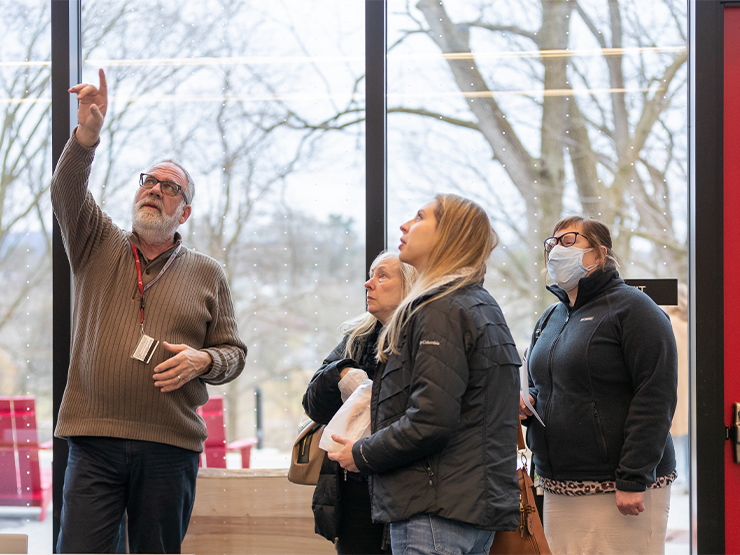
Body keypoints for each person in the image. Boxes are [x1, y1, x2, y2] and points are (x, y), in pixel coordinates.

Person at [52, 69, 247, 554]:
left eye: (170, 186)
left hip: (169, 445)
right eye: (149, 181)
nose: (155, 189)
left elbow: (234, 353)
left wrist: (204, 361)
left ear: (184, 212)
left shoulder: (207, 272)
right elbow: (65, 192)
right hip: (93, 439)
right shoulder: (96, 240)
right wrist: (87, 137)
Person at [329, 194, 521, 555]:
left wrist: (363, 453)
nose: (404, 225)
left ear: (448, 235)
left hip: (436, 512)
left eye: (419, 217)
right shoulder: (479, 303)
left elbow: (432, 420)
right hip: (469, 506)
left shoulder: (440, 308)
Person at [520, 215, 677, 555]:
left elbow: (655, 396)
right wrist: (528, 402)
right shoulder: (550, 317)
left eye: (568, 241)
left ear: (599, 254)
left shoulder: (636, 309)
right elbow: (547, 387)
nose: (555, 250)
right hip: (558, 483)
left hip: (621, 486)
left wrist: (633, 477)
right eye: (552, 243)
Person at [302, 251, 417, 554]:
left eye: (382, 276)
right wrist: (340, 373)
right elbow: (312, 404)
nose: (368, 284)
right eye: (370, 275)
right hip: (352, 493)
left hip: (405, 493)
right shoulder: (358, 338)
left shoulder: (423, 339)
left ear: (410, 285)